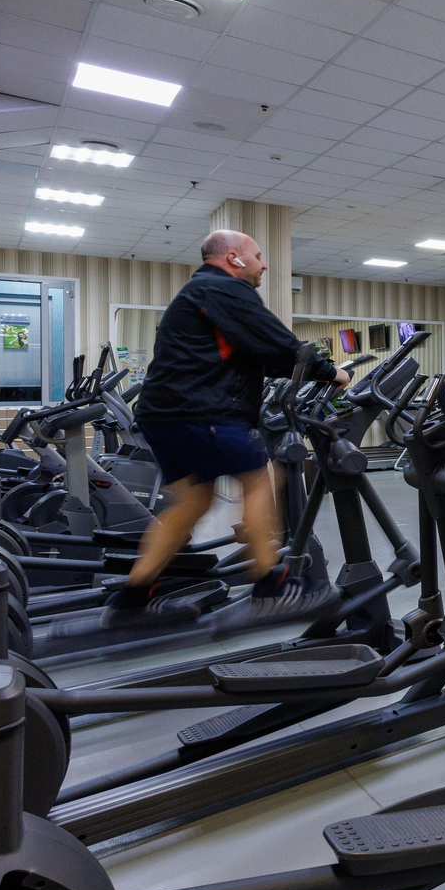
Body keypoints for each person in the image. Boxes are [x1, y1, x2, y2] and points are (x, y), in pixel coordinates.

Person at [103, 230, 348, 630]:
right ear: (234, 258)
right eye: (258, 255)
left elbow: (260, 355)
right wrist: (331, 372)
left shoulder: (202, 292)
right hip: (199, 412)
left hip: (166, 414)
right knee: (261, 479)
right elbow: (280, 344)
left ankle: (131, 598)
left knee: (193, 502)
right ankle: (272, 585)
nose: (264, 264)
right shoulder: (224, 288)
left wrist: (303, 370)